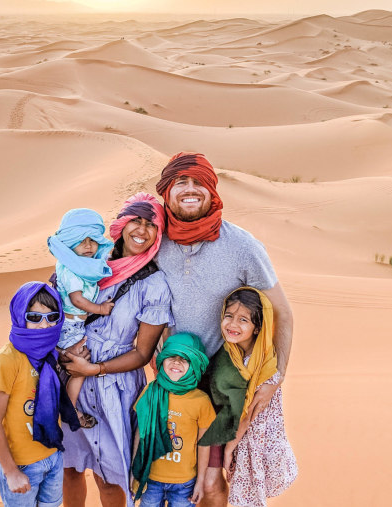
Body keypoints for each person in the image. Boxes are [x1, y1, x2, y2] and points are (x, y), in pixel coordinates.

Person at [153, 152, 294, 506]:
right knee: (172, 477)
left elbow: (283, 314)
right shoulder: (155, 244)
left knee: (213, 482)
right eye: (180, 182)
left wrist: (275, 379)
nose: (189, 189)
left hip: (222, 390)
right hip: (168, 384)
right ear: (166, 192)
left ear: (212, 191)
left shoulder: (242, 246)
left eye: (198, 182)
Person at [59, 192, 173, 507]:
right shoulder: (89, 261)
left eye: (152, 224)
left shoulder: (154, 284)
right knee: (69, 468)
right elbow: (56, 304)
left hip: (115, 387)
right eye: (136, 220)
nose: (142, 230)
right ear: (121, 224)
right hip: (68, 380)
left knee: (109, 478)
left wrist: (94, 369)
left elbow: (143, 353)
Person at [200, 287, 297, 506]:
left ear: (257, 327)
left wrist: (230, 448)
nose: (233, 325)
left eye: (243, 319)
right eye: (229, 316)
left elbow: (249, 412)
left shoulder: (264, 364)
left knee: (248, 497)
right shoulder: (230, 352)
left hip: (253, 440)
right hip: (238, 435)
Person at [0, 282, 81, 507]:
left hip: (53, 457)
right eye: (34, 317)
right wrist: (10, 472)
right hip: (22, 466)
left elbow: (63, 402)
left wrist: (80, 372)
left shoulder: (51, 354)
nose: (44, 325)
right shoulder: (7, 360)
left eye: (51, 317)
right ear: (20, 316)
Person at [48, 208, 114, 427]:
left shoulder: (81, 266)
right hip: (70, 326)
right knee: (79, 369)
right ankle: (70, 409)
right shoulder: (72, 269)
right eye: (81, 241)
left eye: (93, 240)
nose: (88, 246)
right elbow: (77, 300)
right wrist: (101, 308)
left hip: (75, 325)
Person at [131, 333, 215, 507]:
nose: (176, 362)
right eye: (172, 356)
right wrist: (135, 468)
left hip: (184, 484)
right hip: (150, 479)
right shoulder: (150, 391)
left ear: (195, 366)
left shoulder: (201, 401)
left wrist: (200, 481)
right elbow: (141, 432)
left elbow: (204, 444)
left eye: (184, 359)